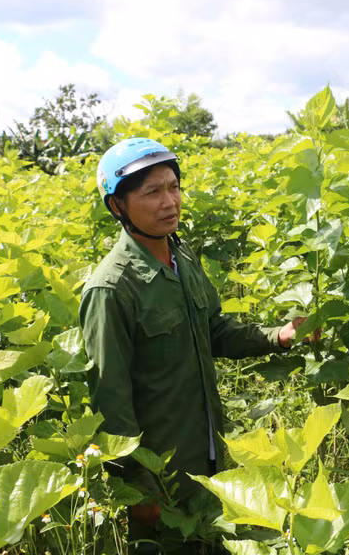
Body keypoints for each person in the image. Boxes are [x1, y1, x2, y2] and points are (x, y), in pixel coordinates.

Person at [80, 137, 309, 553]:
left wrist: (278, 336)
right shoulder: (111, 289)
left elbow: (214, 331)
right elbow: (110, 399)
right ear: (118, 205)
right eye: (152, 192)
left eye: (174, 187)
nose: (169, 201)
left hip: (208, 457)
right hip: (162, 478)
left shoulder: (182, 259)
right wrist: (138, 487)